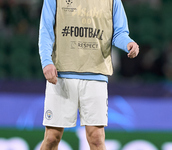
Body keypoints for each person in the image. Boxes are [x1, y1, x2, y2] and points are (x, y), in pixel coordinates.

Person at [38, 0, 139, 149]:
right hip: (62, 75)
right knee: (52, 137)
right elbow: (46, 31)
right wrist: (47, 61)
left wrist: (128, 43)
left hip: (96, 76)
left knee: (96, 138)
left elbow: (118, 33)